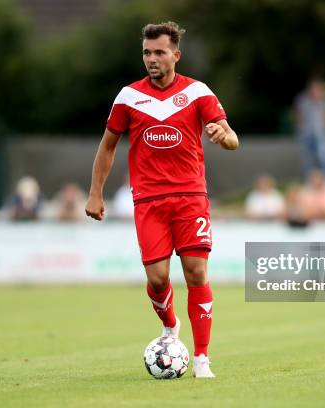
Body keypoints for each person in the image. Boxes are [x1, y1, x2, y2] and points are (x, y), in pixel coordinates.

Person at [85, 22, 238, 378]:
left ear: (176, 55)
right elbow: (108, 147)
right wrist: (95, 192)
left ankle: (201, 359)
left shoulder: (198, 92)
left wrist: (222, 134)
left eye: (159, 52)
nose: (151, 59)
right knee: (157, 278)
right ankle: (170, 327)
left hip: (190, 197)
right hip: (149, 200)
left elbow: (232, 139)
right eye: (146, 53)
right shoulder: (128, 97)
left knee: (196, 272)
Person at [294, 79, 325, 179]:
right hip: (306, 133)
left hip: (320, 133)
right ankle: (308, 179)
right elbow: (299, 116)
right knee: (307, 159)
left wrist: (324, 128)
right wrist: (301, 129)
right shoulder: (303, 100)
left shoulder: (324, 101)